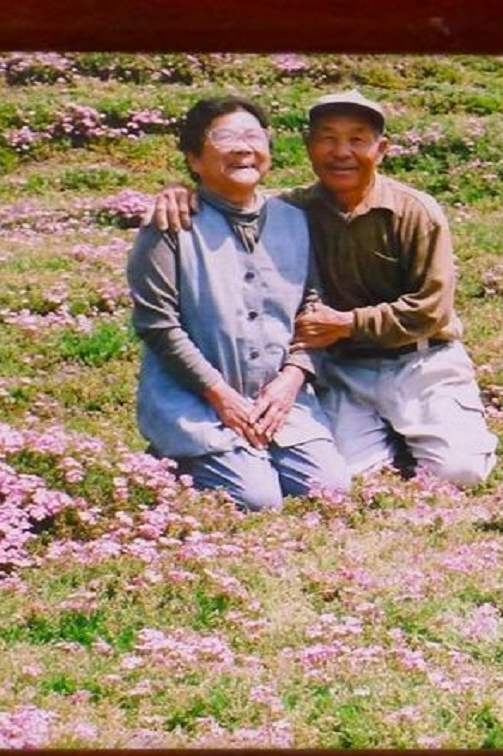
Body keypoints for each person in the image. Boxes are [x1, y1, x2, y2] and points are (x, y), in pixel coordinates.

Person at [153, 89, 498, 487]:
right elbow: (234, 197)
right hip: (343, 368)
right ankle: (398, 437)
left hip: (421, 363)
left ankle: (432, 429)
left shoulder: (415, 210)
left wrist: (348, 323)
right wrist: (182, 190)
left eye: (357, 139)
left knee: (461, 474)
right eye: (328, 138)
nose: (341, 152)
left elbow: (430, 309)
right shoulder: (290, 211)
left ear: (381, 149)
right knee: (343, 480)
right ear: (308, 146)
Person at [127, 96, 349, 510]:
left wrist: (293, 378)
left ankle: (257, 449)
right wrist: (221, 396)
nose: (244, 147)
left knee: (331, 490)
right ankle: (173, 456)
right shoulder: (168, 225)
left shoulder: (294, 217)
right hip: (197, 401)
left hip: (279, 400)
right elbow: (158, 325)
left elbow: (312, 308)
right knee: (259, 499)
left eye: (254, 136)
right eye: (225, 137)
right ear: (194, 158)